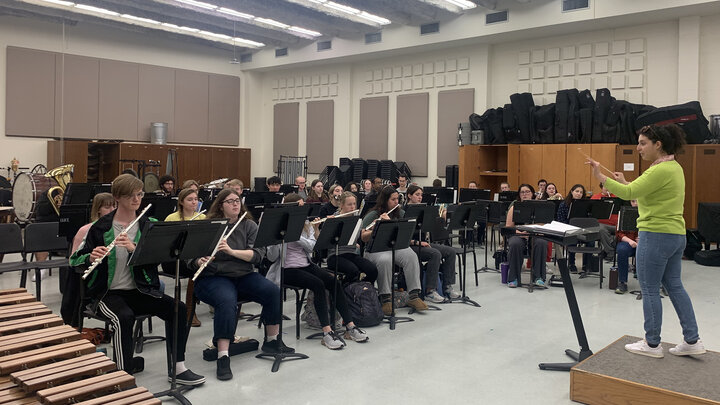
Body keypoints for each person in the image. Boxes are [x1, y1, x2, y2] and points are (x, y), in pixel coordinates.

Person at [69, 174, 205, 385]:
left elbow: (161, 259)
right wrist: (90, 256)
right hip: (106, 293)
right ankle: (123, 378)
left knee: (177, 309)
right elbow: (74, 261)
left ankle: (178, 368)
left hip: (140, 290)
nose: (136, 199)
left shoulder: (148, 224)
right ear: (117, 198)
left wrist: (136, 249)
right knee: (123, 318)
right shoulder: (100, 227)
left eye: (139, 194)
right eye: (130, 195)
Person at [587, 124, 705, 358]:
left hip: (656, 236)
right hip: (675, 235)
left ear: (657, 144)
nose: (638, 148)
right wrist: (626, 181)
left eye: (642, 143)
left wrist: (601, 177)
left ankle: (652, 344)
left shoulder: (658, 170)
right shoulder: (673, 167)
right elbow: (644, 194)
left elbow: (629, 195)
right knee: (675, 286)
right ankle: (692, 339)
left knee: (649, 289)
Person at [189, 188, 293, 380]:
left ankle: (271, 341)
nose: (235, 204)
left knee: (272, 291)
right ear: (221, 206)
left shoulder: (249, 225)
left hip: (243, 275)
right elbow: (190, 258)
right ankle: (223, 356)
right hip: (213, 277)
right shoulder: (209, 225)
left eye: (237, 200)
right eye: (230, 201)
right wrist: (199, 261)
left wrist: (231, 251)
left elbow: (257, 256)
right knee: (226, 300)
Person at [266, 193, 369, 350]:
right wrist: (280, 236)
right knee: (318, 284)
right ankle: (327, 333)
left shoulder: (305, 223)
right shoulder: (278, 225)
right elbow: (272, 257)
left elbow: (313, 247)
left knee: (333, 282)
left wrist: (296, 235)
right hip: (286, 269)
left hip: (306, 265)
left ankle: (350, 326)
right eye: (300, 206)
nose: (303, 210)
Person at [361, 185, 428, 315]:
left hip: (394, 246)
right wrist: (377, 226)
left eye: (397, 199)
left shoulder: (400, 213)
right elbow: (363, 238)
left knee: (411, 256)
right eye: (393, 199)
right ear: (385, 200)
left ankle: (413, 295)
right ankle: (385, 298)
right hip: (375, 250)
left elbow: (404, 235)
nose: (396, 202)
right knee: (385, 260)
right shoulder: (373, 214)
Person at [405, 185, 460, 301]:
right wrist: (419, 242)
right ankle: (430, 290)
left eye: (421, 195)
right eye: (417, 195)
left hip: (424, 243)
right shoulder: (405, 211)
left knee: (450, 251)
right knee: (435, 254)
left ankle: (447, 287)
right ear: (409, 196)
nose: (420, 197)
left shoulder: (425, 210)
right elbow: (404, 237)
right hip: (411, 245)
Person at [164, 188, 207, 327]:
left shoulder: (202, 217)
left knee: (207, 266)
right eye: (190, 199)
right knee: (195, 269)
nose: (194, 202)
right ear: (181, 202)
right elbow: (166, 245)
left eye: (196, 199)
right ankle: (189, 311)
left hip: (194, 257)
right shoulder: (172, 218)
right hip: (174, 259)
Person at [325, 192, 378, 284]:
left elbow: (356, 238)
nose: (353, 207)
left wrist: (373, 228)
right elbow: (325, 240)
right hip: (335, 255)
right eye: (349, 204)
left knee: (372, 270)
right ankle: (343, 292)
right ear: (341, 205)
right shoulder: (333, 219)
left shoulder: (357, 220)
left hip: (351, 253)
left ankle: (360, 289)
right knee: (353, 271)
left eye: (354, 204)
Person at [505, 184, 549, 288]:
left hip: (534, 234)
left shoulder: (539, 206)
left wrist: (532, 231)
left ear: (532, 193)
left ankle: (538, 277)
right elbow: (508, 227)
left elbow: (543, 224)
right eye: (522, 192)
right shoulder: (514, 207)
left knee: (541, 242)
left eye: (527, 191)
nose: (525, 194)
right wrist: (520, 232)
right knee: (515, 243)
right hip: (518, 234)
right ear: (519, 195)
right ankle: (513, 278)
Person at [556, 184, 588, 273]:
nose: (579, 194)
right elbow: (560, 220)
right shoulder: (564, 204)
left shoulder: (585, 205)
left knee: (591, 240)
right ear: (571, 192)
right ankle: (571, 263)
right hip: (568, 229)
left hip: (581, 230)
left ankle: (586, 265)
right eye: (577, 191)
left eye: (581, 192)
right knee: (572, 238)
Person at [614, 200, 639, 294]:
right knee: (622, 250)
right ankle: (622, 282)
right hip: (628, 241)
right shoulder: (623, 213)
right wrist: (630, 241)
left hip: (644, 241)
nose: (635, 203)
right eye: (633, 201)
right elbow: (619, 233)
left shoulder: (648, 213)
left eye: (637, 201)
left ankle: (660, 284)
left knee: (657, 251)